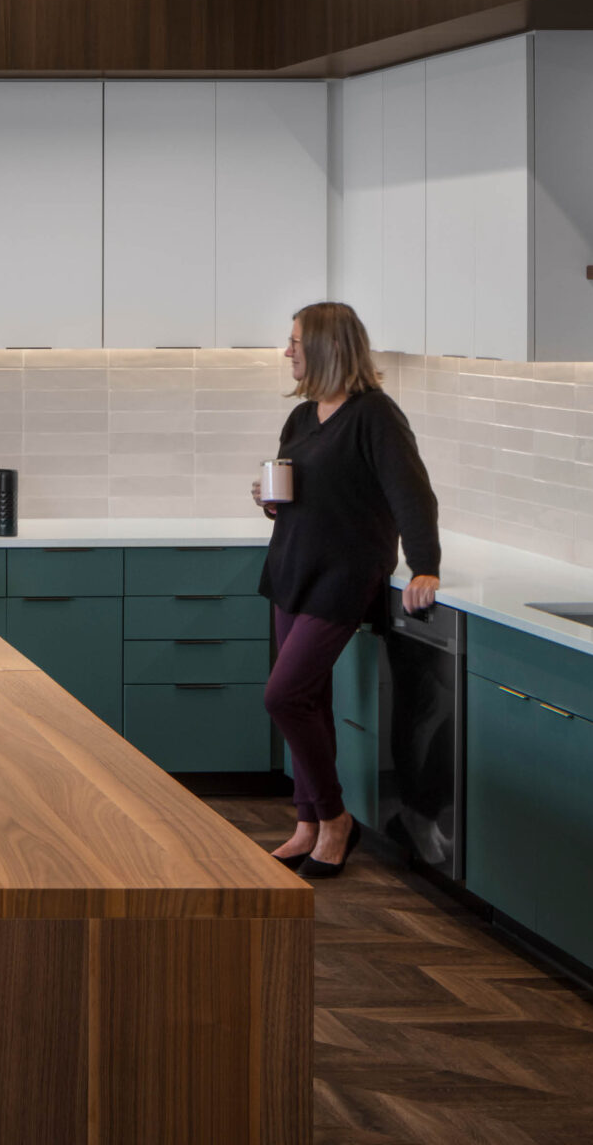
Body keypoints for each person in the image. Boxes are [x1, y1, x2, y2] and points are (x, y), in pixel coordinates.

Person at [254, 301, 441, 879]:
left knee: (283, 696)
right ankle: (308, 821)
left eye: (295, 341)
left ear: (328, 347)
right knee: (307, 702)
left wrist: (425, 566)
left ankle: (336, 819)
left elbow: (414, 496)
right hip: (292, 567)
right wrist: (269, 502)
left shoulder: (376, 416)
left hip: (342, 575)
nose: (287, 351)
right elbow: (298, 489)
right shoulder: (303, 416)